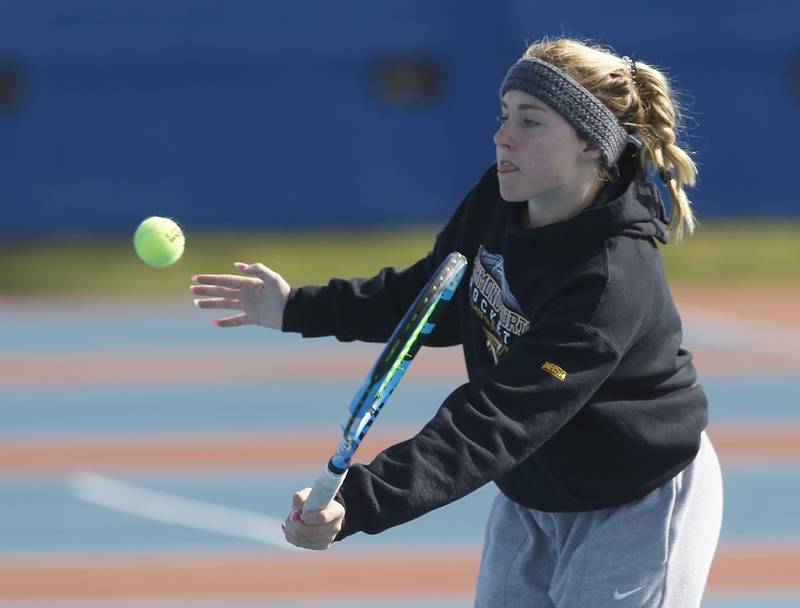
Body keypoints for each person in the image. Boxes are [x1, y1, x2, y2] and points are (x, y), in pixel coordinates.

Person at [191, 36, 723, 608]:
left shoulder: (609, 281)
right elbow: (431, 297)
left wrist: (362, 500)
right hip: (534, 491)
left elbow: (497, 417)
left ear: (591, 143)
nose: (502, 135)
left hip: (635, 501)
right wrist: (297, 308)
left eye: (531, 121)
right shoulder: (498, 202)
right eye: (502, 115)